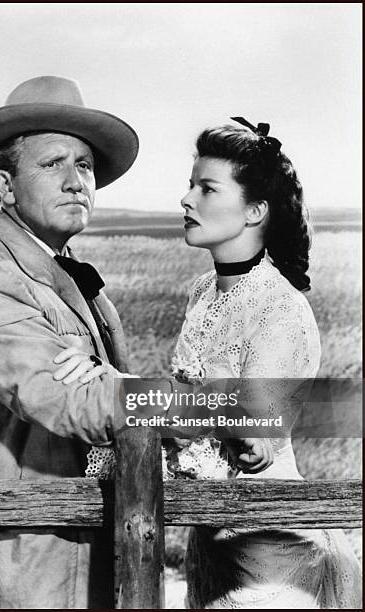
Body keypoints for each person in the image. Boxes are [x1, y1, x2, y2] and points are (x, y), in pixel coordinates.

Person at [54, 119, 362, 608]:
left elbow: (248, 430)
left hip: (268, 546)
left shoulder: (278, 307)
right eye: (190, 184)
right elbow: (187, 404)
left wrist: (115, 386)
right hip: (212, 536)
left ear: (255, 210)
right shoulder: (202, 291)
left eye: (207, 188)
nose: (186, 199)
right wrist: (99, 372)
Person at [0, 75, 140, 609]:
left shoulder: (63, 270)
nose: (77, 182)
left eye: (85, 165)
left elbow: (106, 393)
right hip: (21, 568)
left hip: (76, 551)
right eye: (53, 164)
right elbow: (75, 403)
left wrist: (109, 381)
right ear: (4, 187)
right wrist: (208, 406)